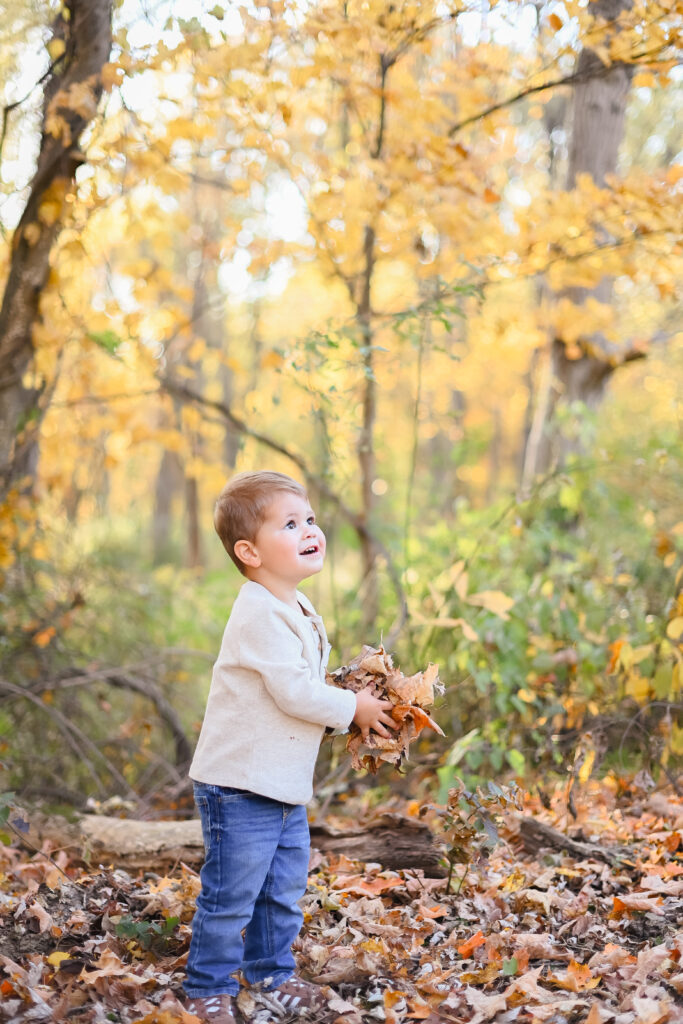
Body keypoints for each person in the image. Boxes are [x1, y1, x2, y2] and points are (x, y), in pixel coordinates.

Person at [183, 470, 395, 1024]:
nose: (310, 530)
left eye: (311, 520)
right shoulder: (256, 611)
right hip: (239, 785)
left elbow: (304, 691)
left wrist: (350, 696)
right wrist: (355, 710)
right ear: (249, 551)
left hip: (280, 783)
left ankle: (270, 975)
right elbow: (295, 691)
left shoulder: (296, 605)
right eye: (291, 523)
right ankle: (206, 985)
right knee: (232, 895)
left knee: (281, 891)